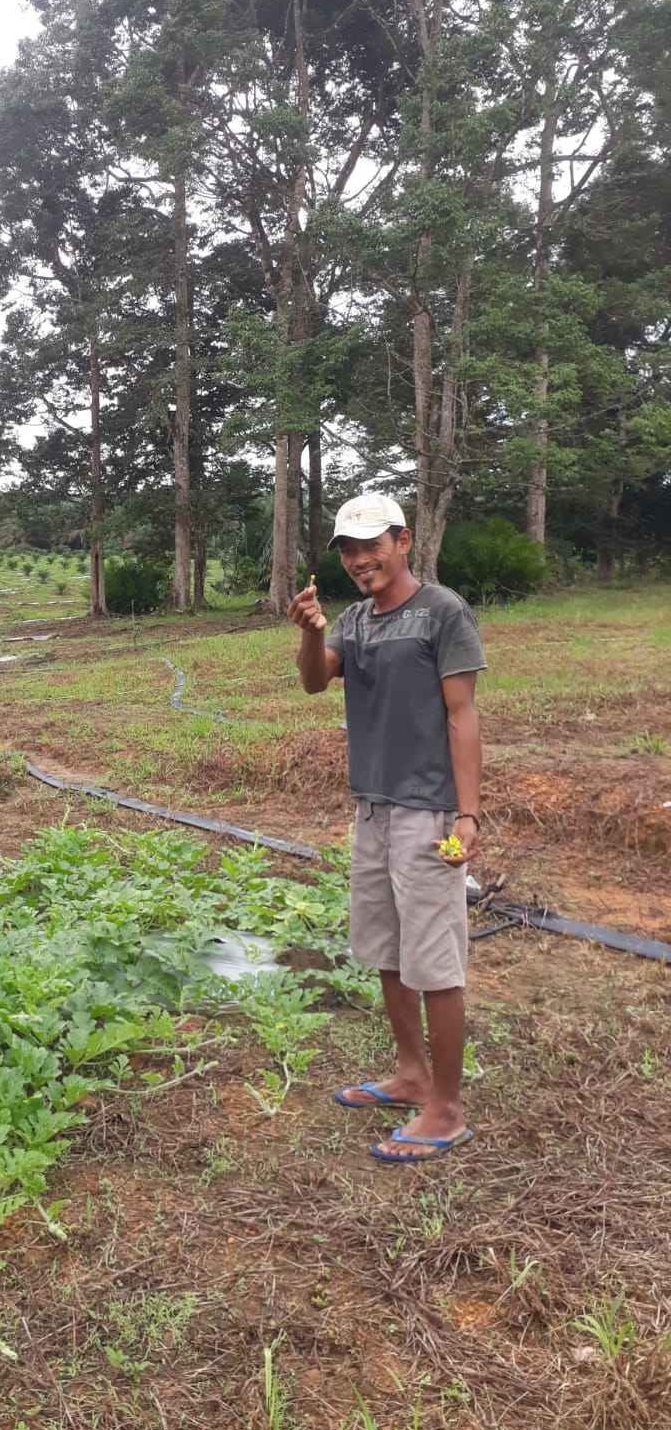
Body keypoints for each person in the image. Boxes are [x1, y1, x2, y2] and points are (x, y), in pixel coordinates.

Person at [287, 493, 486, 1164]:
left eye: (370, 544)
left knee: (436, 962)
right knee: (388, 950)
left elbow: (463, 716)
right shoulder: (352, 620)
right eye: (347, 548)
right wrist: (312, 632)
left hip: (430, 812)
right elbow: (317, 684)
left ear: (403, 541)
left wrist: (468, 815)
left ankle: (447, 1109)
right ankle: (411, 1074)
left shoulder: (442, 612)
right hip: (371, 807)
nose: (358, 559)